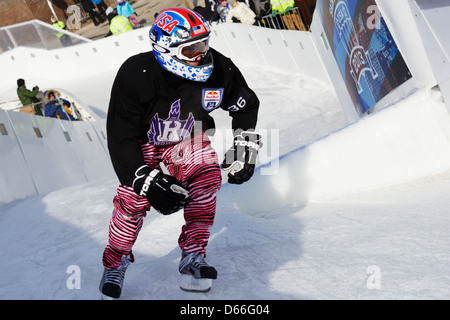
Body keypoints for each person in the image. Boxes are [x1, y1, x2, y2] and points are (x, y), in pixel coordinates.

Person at [99, 8, 261, 299]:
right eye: (191, 49)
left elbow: (246, 105)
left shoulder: (220, 69)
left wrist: (244, 142)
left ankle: (194, 255)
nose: (201, 55)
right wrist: (144, 179)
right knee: (133, 200)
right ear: (166, 50)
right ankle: (116, 261)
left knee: (207, 179)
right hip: (142, 141)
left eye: (204, 44)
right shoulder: (136, 75)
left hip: (187, 137)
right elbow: (120, 137)